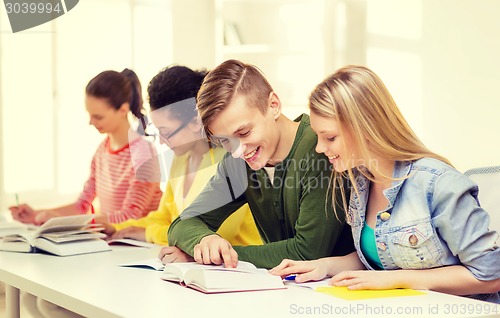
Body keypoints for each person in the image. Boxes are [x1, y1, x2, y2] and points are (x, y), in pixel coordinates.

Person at [269, 65, 500, 303]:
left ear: (364, 128)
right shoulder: (360, 181)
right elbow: (382, 254)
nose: (319, 148)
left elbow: (490, 275)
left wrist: (395, 280)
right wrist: (324, 266)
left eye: (330, 137)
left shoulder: (437, 182)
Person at [166, 59, 354, 269]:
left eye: (243, 133)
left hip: (337, 291)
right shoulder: (238, 162)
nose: (237, 151)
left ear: (273, 105)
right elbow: (182, 224)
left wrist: (220, 255)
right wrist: (205, 242)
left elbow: (307, 252)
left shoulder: (321, 150)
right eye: (224, 141)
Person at [105, 65, 262, 250]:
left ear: (196, 122)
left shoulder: (232, 160)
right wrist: (116, 228)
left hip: (243, 270)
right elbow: (164, 216)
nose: (162, 143)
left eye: (167, 133)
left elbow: (213, 233)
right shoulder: (181, 158)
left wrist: (148, 233)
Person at [9, 69, 163, 225]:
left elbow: (129, 217)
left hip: (138, 244)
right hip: (112, 243)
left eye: (98, 116)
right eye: (89, 114)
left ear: (123, 110)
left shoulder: (144, 154)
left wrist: (59, 219)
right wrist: (37, 215)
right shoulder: (102, 150)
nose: (90, 122)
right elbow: (82, 205)